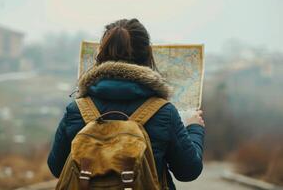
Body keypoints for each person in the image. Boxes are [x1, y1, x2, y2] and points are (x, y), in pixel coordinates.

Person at [47, 18, 205, 190]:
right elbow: (188, 171)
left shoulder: (77, 109)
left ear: (100, 54)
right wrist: (194, 128)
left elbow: (57, 168)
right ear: (148, 55)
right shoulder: (164, 112)